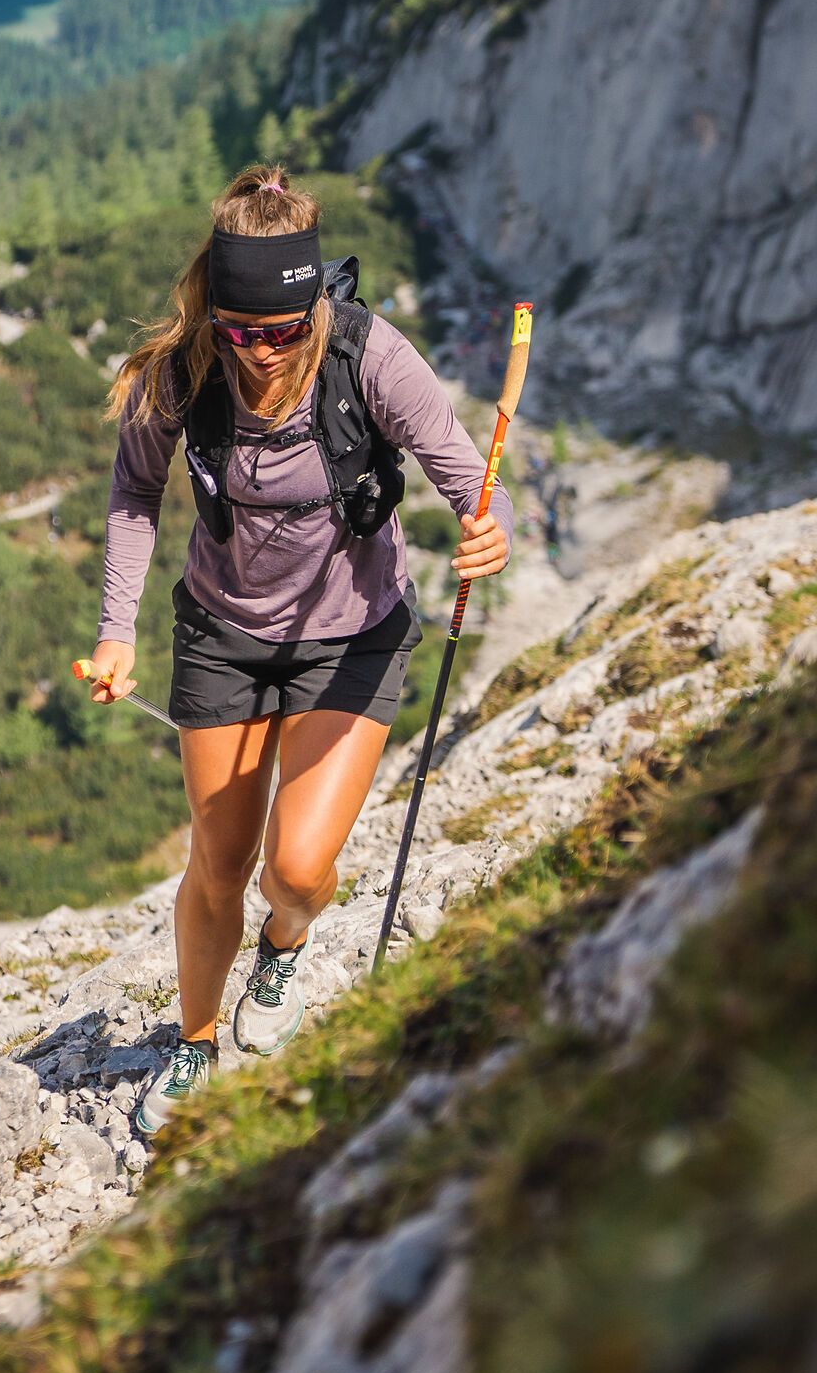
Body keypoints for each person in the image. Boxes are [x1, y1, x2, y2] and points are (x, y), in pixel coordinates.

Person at [83, 166, 513, 1141]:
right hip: (222, 636)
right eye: (244, 331)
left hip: (352, 636)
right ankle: (192, 1049)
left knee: (298, 867)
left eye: (286, 330)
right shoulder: (180, 375)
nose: (267, 351)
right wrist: (116, 632)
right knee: (218, 860)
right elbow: (130, 499)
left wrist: (490, 530)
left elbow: (467, 477)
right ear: (214, 310)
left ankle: (285, 943)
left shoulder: (370, 358)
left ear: (316, 306)